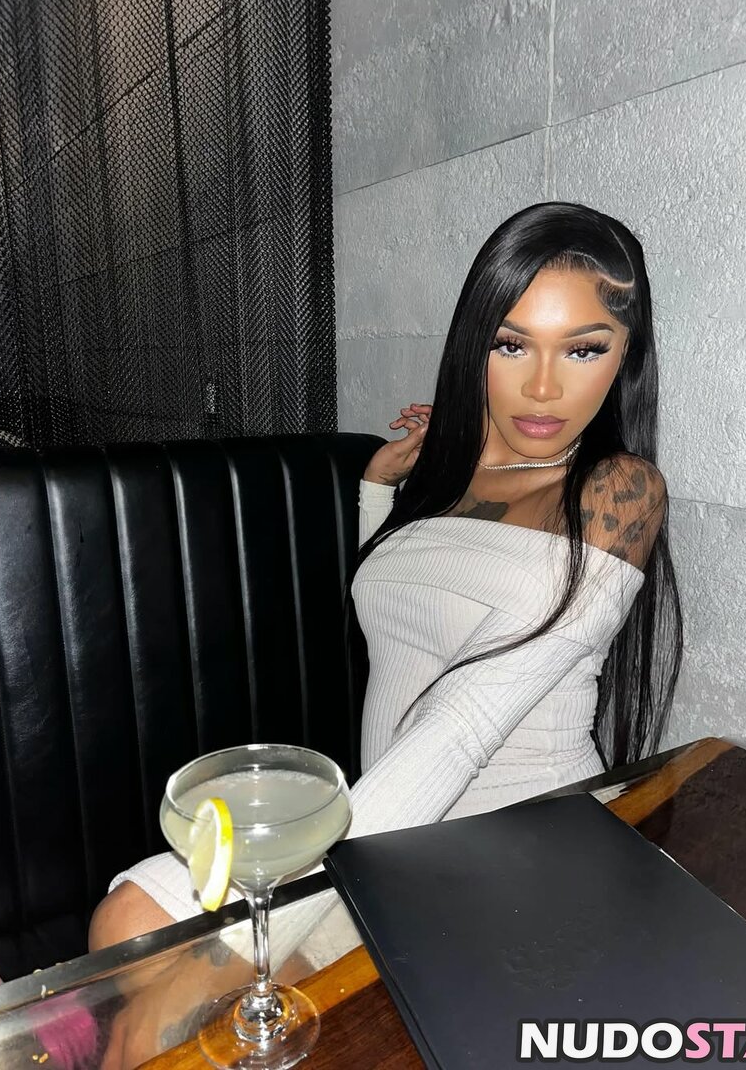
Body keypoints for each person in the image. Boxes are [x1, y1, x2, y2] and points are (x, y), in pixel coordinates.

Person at [89, 201, 683, 989]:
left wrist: (298, 891)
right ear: (475, 346)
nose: (542, 387)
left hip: (520, 842)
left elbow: (463, 721)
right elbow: (393, 609)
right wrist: (378, 486)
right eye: (511, 344)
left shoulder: (619, 490)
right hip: (395, 823)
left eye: (583, 348)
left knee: (173, 958)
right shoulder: (448, 471)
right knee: (129, 921)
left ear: (625, 356)